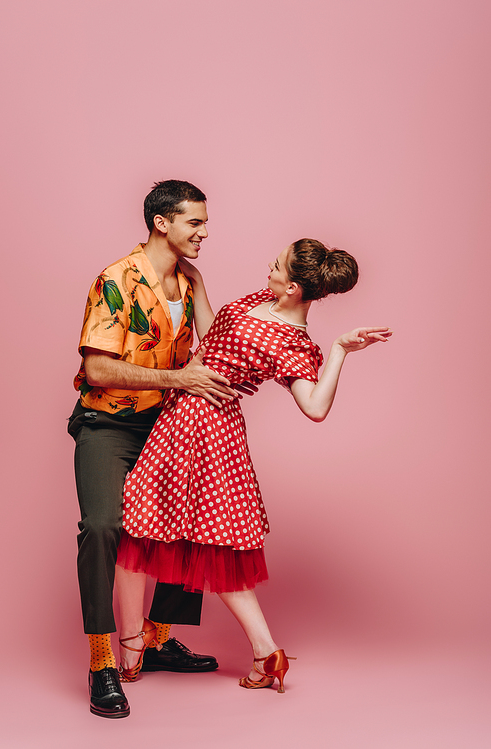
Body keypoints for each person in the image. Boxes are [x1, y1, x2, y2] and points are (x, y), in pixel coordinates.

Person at [114, 238, 392, 693]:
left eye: (278, 265)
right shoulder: (258, 300)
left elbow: (315, 407)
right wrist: (198, 283)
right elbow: (215, 337)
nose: (270, 265)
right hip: (191, 419)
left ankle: (130, 650)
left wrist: (339, 350)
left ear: (294, 289)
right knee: (208, 544)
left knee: (138, 530)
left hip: (201, 426)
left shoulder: (294, 343)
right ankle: (266, 654)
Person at [68, 180, 255, 719]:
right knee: (104, 526)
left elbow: (215, 347)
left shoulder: (187, 276)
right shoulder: (116, 280)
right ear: (161, 223)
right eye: (194, 222)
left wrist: (207, 294)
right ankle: (103, 661)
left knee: (190, 517)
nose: (203, 232)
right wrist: (179, 378)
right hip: (111, 422)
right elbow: (97, 368)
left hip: (168, 422)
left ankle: (156, 639)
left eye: (203, 222)